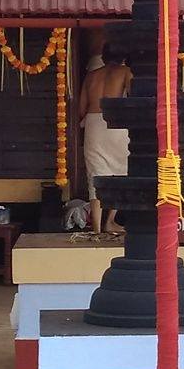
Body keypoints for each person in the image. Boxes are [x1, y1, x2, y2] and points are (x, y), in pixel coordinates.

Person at [78, 50, 131, 235]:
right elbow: (133, 99)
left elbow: (81, 108)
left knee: (95, 175)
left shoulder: (91, 76)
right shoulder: (125, 71)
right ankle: (110, 222)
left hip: (94, 124)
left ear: (104, 58)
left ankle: (97, 228)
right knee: (122, 171)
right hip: (116, 122)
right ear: (122, 57)